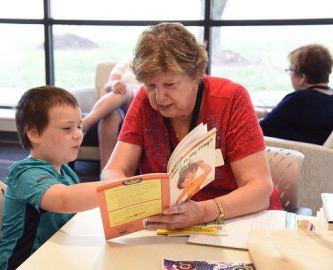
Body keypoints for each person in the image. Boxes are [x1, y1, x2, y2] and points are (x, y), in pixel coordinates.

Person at [101, 22, 282, 230]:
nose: (159, 97)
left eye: (169, 85)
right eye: (151, 85)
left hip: (235, 223)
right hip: (170, 230)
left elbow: (260, 189)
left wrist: (202, 212)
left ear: (196, 75)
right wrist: (126, 197)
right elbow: (113, 170)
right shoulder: (144, 101)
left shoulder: (231, 98)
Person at [0, 86, 104, 270]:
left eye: (79, 126)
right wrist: (124, 187)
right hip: (23, 264)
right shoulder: (25, 174)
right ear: (34, 133)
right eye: (67, 128)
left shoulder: (66, 172)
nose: (78, 134)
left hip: (53, 259)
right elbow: (64, 200)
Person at [260, 44, 333, 145]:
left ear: (303, 77)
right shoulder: (329, 99)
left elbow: (260, 130)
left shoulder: (299, 99)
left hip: (284, 154)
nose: (290, 75)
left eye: (291, 71)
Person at [81, 60, 141, 170]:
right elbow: (109, 84)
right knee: (110, 116)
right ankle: (106, 172)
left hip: (139, 99)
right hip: (118, 103)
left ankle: (84, 124)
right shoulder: (125, 63)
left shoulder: (152, 62)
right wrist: (115, 84)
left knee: (124, 91)